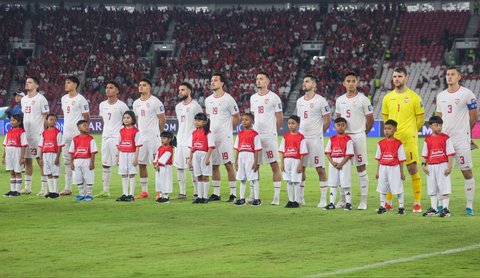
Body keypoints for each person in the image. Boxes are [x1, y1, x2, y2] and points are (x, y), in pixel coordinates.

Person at [436, 66, 478, 216]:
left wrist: (466, 132)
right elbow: (438, 118)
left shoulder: (467, 94)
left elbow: (473, 117)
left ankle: (469, 206)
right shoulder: (440, 96)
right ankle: (441, 204)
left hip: (461, 140)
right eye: (447, 74)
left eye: (453, 74)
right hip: (445, 140)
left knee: (466, 172)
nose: (449, 77)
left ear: (459, 76)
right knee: (442, 172)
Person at [381, 67, 424, 212]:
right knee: (390, 169)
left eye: (400, 76)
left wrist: (411, 131)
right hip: (393, 140)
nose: (396, 79)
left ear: (406, 78)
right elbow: (386, 119)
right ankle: (388, 202)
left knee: (412, 168)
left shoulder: (414, 97)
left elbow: (420, 119)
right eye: (394, 76)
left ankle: (417, 202)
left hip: (408, 139)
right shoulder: (387, 98)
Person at [335, 72, 374, 210]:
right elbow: (339, 119)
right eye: (348, 81)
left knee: (361, 167)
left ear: (357, 82)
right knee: (342, 168)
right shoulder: (339, 100)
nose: (351, 83)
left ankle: (363, 201)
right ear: (344, 83)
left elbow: (370, 119)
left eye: (353, 81)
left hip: (358, 136)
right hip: (344, 138)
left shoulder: (363, 99)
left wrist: (362, 133)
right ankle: (343, 199)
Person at [296, 74, 331, 207]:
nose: (305, 83)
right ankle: (300, 198)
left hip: (315, 140)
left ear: (314, 85)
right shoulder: (299, 101)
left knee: (320, 169)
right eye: (304, 81)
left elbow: (328, 120)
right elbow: (301, 120)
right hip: (302, 140)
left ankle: (323, 200)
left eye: (308, 81)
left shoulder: (321, 101)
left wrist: (319, 134)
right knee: (301, 168)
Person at [204, 73, 240, 202]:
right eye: (211, 80)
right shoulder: (208, 100)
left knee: (228, 164)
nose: (212, 82)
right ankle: (216, 193)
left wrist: (230, 130)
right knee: (214, 165)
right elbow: (208, 118)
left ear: (222, 83)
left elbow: (237, 116)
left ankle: (233, 193)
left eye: (215, 80)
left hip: (225, 137)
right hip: (213, 138)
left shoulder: (228, 99)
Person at [250, 72, 284, 205]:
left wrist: (273, 132)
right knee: (255, 165)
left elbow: (280, 117)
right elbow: (253, 116)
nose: (258, 81)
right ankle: (253, 194)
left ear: (267, 81)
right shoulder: (253, 98)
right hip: (257, 136)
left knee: (274, 165)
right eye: (257, 79)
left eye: (261, 79)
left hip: (270, 136)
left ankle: (276, 197)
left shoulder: (274, 97)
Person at [132, 79, 166, 199]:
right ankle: (144, 191)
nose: (141, 87)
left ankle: (159, 191)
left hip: (154, 137)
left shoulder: (156, 102)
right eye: (140, 85)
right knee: (141, 164)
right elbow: (137, 119)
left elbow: (162, 119)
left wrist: (160, 133)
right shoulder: (136, 103)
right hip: (141, 137)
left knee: (157, 164)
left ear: (149, 87)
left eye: (144, 85)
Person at [96, 81, 128, 198]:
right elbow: (103, 120)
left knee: (121, 163)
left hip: (117, 138)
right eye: (107, 88)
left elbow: (127, 121)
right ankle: (105, 190)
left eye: (111, 88)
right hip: (105, 137)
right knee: (105, 164)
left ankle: (126, 192)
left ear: (117, 91)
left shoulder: (122, 105)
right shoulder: (102, 104)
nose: (108, 90)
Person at [59, 76, 90, 196]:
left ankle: (86, 188)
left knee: (81, 161)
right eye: (66, 82)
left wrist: (84, 131)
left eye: (69, 83)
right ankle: (67, 187)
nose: (66, 84)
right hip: (66, 134)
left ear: (75, 85)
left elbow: (86, 116)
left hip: (78, 135)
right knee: (67, 161)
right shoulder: (63, 98)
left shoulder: (81, 99)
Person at [20, 77, 50, 196]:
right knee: (27, 161)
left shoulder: (41, 99)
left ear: (36, 85)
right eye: (26, 82)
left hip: (38, 134)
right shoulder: (23, 99)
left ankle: (44, 188)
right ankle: (27, 187)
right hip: (26, 134)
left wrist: (45, 133)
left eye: (30, 82)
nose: (27, 84)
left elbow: (47, 117)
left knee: (40, 161)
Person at [421, 116, 454, 217]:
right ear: (430, 126)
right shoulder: (427, 140)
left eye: (440, 125)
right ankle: (434, 209)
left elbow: (450, 154)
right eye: (436, 125)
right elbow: (426, 155)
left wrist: (449, 167)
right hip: (431, 167)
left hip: (442, 165)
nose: (439, 127)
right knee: (432, 189)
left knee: (444, 188)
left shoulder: (446, 138)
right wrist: (423, 165)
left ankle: (445, 209)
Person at [174, 82, 202, 199]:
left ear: (189, 91)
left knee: (192, 167)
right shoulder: (178, 107)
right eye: (179, 90)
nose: (180, 92)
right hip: (179, 140)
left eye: (183, 90)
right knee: (179, 167)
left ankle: (196, 193)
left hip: (191, 141)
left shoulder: (196, 106)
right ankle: (182, 193)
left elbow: (201, 123)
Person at [375, 120, 406, 215]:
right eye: (385, 128)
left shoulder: (398, 143)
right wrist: (377, 171)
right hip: (383, 168)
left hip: (394, 168)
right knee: (382, 187)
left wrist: (401, 172)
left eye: (389, 129)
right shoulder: (380, 143)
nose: (387, 131)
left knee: (398, 187)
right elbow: (379, 158)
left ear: (395, 130)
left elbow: (401, 159)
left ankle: (401, 207)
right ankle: (382, 207)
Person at [323, 117, 354, 211]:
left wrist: (341, 164)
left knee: (346, 183)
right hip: (333, 163)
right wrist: (332, 162)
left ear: (346, 126)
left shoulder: (348, 139)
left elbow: (349, 154)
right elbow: (328, 152)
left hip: (344, 162)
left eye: (343, 125)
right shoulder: (331, 139)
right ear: (334, 127)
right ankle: (332, 203)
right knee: (333, 184)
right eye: (338, 125)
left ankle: (348, 203)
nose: (340, 127)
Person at [233, 113, 262, 207]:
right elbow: (237, 148)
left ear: (252, 121)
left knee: (254, 178)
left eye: (246, 120)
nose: (244, 121)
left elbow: (257, 149)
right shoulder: (240, 134)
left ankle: (257, 199)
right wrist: (236, 161)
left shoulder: (255, 134)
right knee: (242, 179)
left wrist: (256, 162)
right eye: (243, 120)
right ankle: (241, 199)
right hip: (241, 156)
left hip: (250, 156)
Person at [279, 115, 307, 208]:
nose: (291, 125)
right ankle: (290, 200)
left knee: (296, 181)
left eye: (293, 123)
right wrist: (282, 163)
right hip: (287, 160)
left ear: (298, 124)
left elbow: (303, 153)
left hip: (296, 161)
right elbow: (282, 151)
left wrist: (301, 165)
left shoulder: (301, 137)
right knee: (289, 181)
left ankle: (296, 201)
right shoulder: (285, 136)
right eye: (289, 123)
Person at [188, 113, 215, 204]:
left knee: (205, 176)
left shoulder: (208, 133)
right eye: (195, 120)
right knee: (198, 176)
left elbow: (211, 147)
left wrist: (207, 158)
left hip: (204, 154)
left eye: (199, 120)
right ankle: (199, 197)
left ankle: (205, 197)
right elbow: (192, 148)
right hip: (196, 155)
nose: (196, 122)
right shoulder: (194, 133)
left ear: (204, 122)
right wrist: (190, 160)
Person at [116, 111, 142, 202]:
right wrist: (117, 157)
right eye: (124, 118)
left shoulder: (136, 131)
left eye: (128, 118)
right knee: (123, 174)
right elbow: (118, 145)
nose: (126, 120)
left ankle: (131, 194)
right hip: (123, 154)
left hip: (131, 154)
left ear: (132, 119)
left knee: (131, 174)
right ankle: (125, 194)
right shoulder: (121, 131)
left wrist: (136, 158)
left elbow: (138, 146)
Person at [69, 120, 97, 201]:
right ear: (79, 128)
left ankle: (89, 194)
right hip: (77, 161)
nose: (87, 127)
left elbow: (93, 152)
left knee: (89, 177)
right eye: (84, 125)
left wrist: (92, 162)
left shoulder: (91, 139)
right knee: (78, 178)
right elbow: (72, 151)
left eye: (87, 125)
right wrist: (71, 162)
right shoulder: (75, 139)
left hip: (87, 160)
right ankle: (81, 194)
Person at [38, 114, 63, 199]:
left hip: (54, 154)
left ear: (56, 122)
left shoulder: (58, 132)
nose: (52, 121)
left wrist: (57, 158)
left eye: (54, 120)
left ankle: (56, 192)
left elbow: (60, 146)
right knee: (48, 173)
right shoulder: (44, 133)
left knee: (55, 173)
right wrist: (40, 158)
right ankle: (51, 191)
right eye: (50, 119)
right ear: (47, 121)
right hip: (45, 155)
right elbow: (41, 146)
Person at [2, 115, 27, 197]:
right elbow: (5, 145)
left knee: (17, 171)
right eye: (11, 120)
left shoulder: (21, 132)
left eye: (14, 120)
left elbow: (23, 145)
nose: (11, 122)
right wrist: (3, 156)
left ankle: (18, 191)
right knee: (12, 172)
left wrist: (23, 157)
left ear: (19, 122)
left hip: (17, 152)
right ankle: (12, 190)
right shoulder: (9, 132)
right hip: (9, 153)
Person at [154, 131, 177, 204]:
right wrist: (155, 163)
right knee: (159, 181)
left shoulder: (169, 148)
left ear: (169, 139)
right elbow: (157, 156)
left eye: (164, 138)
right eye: (161, 138)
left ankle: (166, 197)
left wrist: (159, 163)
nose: (162, 140)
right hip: (159, 167)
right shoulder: (160, 147)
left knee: (166, 181)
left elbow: (165, 157)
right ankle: (160, 196)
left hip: (166, 167)